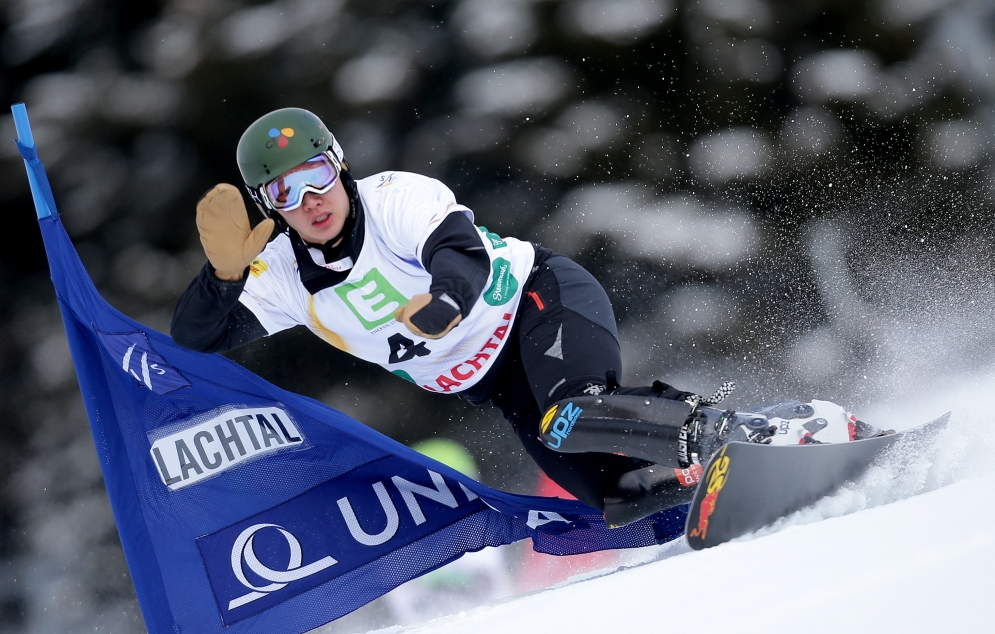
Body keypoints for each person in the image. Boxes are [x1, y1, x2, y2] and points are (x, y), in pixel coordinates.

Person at [171, 108, 875, 529]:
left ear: (340, 165)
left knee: (572, 412)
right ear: (270, 209)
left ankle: (763, 433)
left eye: (318, 175)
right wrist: (222, 279)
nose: (311, 200)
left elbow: (460, 258)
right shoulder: (282, 274)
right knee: (622, 494)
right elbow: (196, 339)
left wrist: (443, 305)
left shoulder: (393, 200)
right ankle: (720, 497)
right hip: (500, 385)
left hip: (540, 304)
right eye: (286, 192)